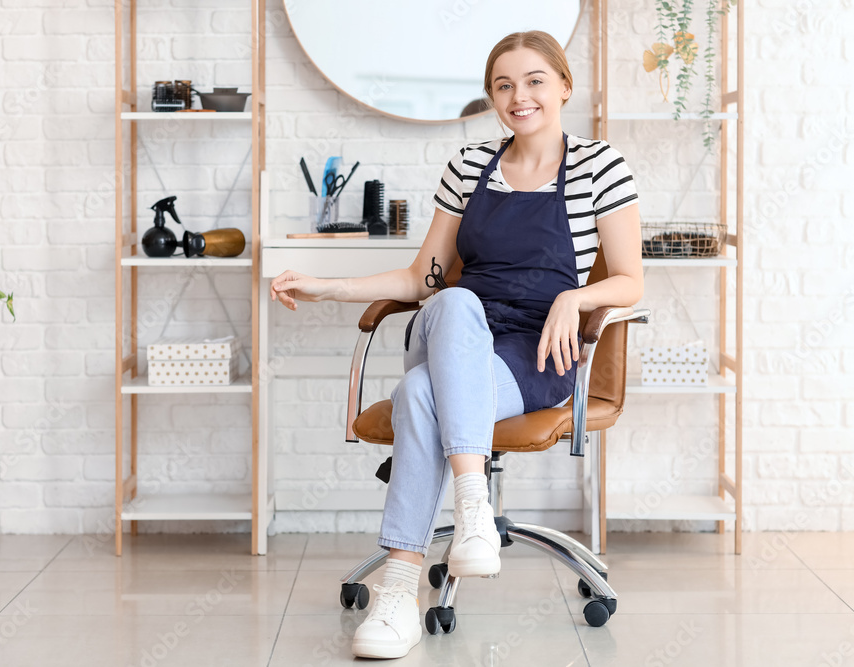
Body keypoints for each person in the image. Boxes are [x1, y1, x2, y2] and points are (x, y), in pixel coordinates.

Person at [270, 30, 643, 660]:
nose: (518, 97)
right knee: (456, 300)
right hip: (453, 331)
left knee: (420, 393)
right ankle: (473, 504)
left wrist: (573, 299)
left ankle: (396, 595)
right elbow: (424, 279)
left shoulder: (598, 166)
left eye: (534, 81)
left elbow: (630, 280)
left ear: (564, 87)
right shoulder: (469, 166)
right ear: (492, 98)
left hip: (534, 356)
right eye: (503, 86)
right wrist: (325, 286)